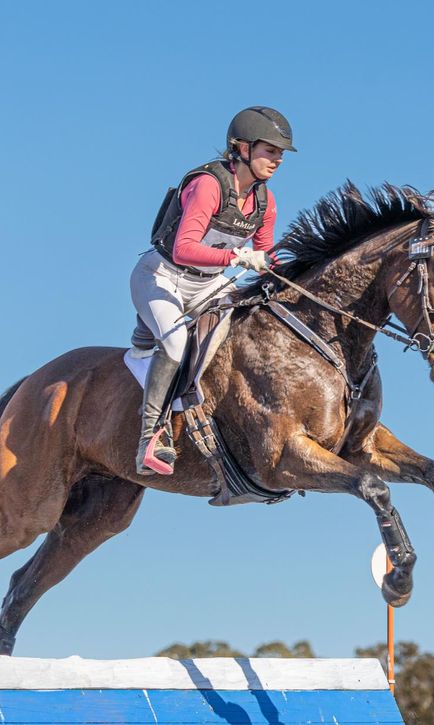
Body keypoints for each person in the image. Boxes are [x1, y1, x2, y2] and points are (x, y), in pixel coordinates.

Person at [129, 106, 296, 476]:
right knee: (174, 345)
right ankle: (150, 438)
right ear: (242, 148)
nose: (278, 159)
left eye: (281, 153)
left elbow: (265, 254)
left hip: (208, 284)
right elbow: (183, 249)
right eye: (270, 150)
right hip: (161, 276)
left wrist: (289, 268)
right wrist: (237, 256)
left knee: (241, 332)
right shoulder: (208, 185)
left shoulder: (265, 202)